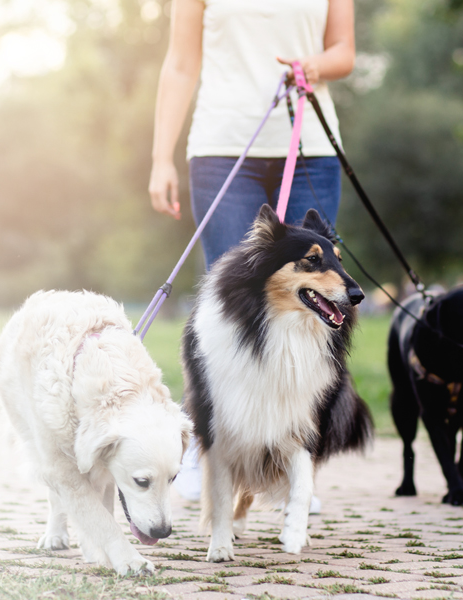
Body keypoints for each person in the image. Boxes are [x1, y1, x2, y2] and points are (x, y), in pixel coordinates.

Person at [149, 0, 355, 506]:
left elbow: (344, 51)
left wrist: (316, 66)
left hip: (311, 144)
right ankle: (210, 450)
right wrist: (160, 158)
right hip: (223, 149)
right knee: (226, 307)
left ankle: (293, 463)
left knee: (311, 308)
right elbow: (180, 63)